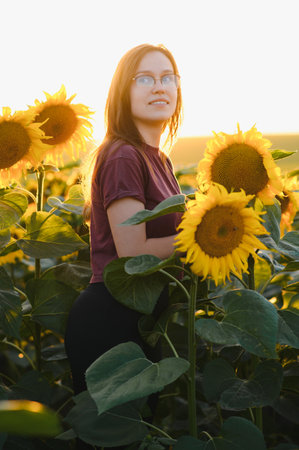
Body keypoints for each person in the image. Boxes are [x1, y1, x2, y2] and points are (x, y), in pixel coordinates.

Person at [64, 43, 184, 450]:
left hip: (140, 315)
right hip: (111, 317)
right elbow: (133, 250)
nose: (160, 87)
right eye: (145, 78)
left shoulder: (158, 159)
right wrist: (199, 239)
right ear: (122, 92)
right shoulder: (122, 156)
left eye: (168, 77)